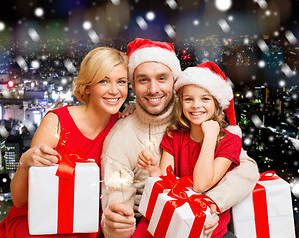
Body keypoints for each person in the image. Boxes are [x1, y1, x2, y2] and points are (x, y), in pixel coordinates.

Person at [101, 38, 260, 238]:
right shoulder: (122, 137)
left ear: (174, 81)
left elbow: (247, 169)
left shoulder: (194, 118)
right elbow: (120, 204)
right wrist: (116, 225)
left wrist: (209, 206)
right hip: (153, 220)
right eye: (143, 80)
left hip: (207, 220)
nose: (153, 89)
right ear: (133, 84)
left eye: (161, 78)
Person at [0, 46, 129, 238]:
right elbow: (19, 201)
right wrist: (25, 164)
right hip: (38, 225)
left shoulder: (123, 126)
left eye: (122, 82)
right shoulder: (57, 122)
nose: (114, 90)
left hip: (85, 226)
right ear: (87, 87)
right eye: (104, 81)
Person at [137, 62, 242, 237]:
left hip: (210, 226)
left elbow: (201, 184)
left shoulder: (230, 142)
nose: (195, 105)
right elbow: (164, 187)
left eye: (205, 99)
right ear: (181, 102)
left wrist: (209, 137)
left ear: (216, 103)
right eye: (188, 99)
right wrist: (153, 169)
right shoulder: (173, 136)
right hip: (176, 219)